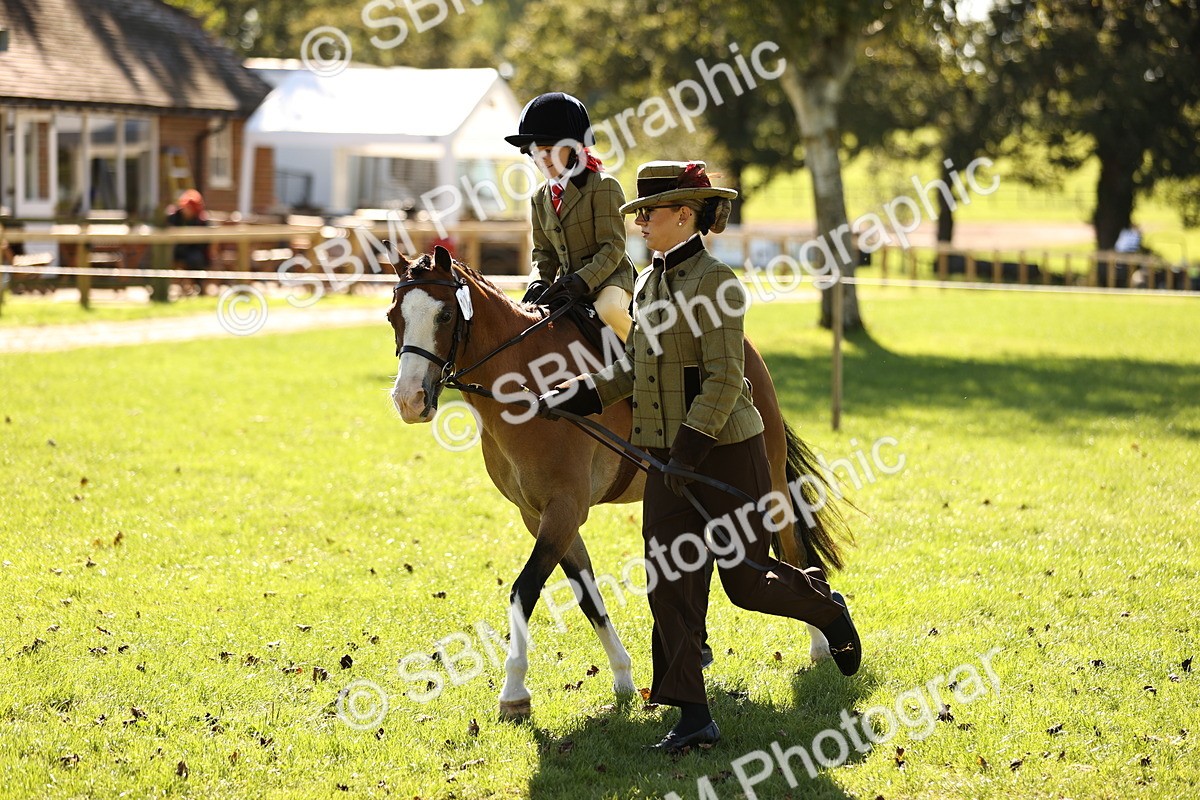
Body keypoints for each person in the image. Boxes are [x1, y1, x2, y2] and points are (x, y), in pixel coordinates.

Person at [536, 161, 861, 753]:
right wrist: (576, 398)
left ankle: (828, 611)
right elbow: (634, 367)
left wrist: (687, 452)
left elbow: (722, 379)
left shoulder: (718, 283)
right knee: (669, 583)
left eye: (648, 216)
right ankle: (693, 716)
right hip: (666, 459)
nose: (639, 227)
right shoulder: (647, 285)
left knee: (745, 583)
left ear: (684, 214)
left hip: (726, 452)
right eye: (635, 217)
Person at [505, 93, 635, 340]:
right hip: (567, 286)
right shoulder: (539, 198)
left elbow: (613, 246)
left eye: (548, 150)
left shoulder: (603, 186)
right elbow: (543, 253)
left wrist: (584, 280)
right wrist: (538, 282)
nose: (540, 159)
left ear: (575, 148)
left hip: (609, 281)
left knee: (610, 310)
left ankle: (647, 358)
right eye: (534, 153)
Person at [167, 189, 211, 296]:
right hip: (176, 249)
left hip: (194, 250)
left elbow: (206, 243)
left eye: (189, 208)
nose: (186, 210)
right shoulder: (174, 216)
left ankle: (200, 287)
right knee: (161, 258)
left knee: (196, 259)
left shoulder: (202, 221)